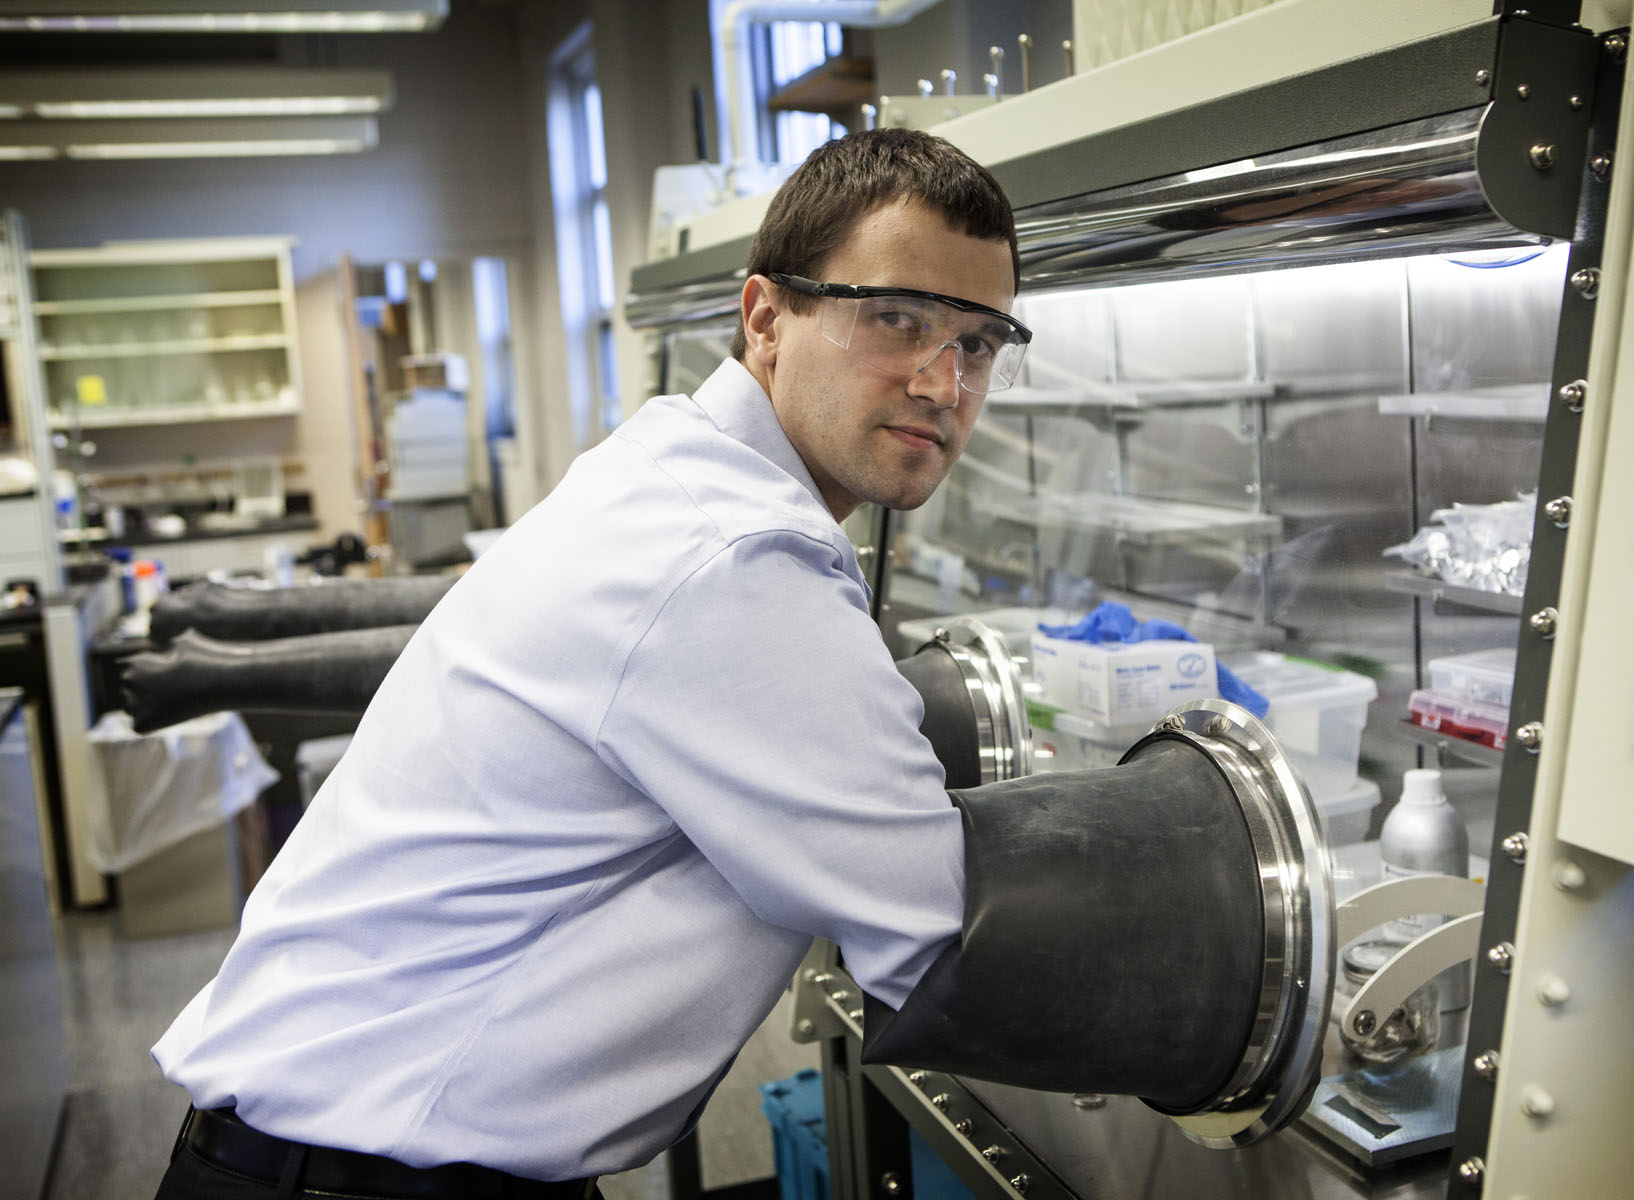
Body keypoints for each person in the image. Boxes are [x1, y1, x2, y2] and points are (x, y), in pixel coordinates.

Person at [152, 127, 1030, 1198]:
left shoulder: (674, 466)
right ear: (766, 317)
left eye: (980, 344)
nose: (944, 381)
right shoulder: (736, 551)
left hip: (324, 1153)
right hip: (367, 1177)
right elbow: (941, 937)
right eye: (898, 318)